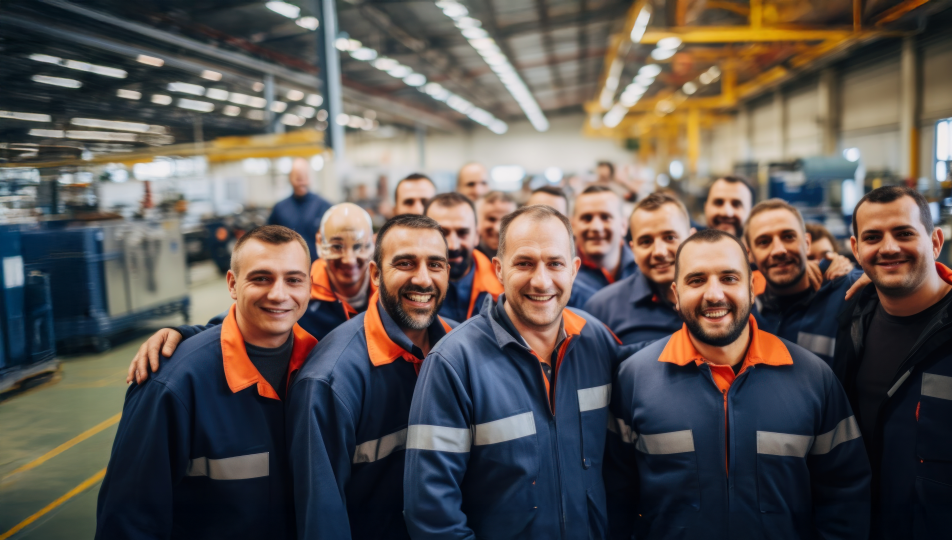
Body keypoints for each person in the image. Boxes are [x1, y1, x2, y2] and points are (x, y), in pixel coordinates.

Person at [606, 228, 870, 539]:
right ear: (676, 295)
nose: (714, 294)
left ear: (752, 288)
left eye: (729, 278)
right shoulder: (635, 379)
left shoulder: (813, 378)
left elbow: (844, 495)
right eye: (696, 280)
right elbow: (615, 500)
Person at [404, 205, 637, 539]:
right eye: (525, 263)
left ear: (573, 270)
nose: (541, 281)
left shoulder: (595, 339)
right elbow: (430, 510)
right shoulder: (454, 362)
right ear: (498, 269)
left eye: (555, 263)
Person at [96, 226, 318, 539]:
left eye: (293, 279)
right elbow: (130, 520)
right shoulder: (172, 386)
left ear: (310, 286)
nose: (279, 294)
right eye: (261, 278)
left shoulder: (321, 370)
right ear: (232, 284)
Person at [287, 214, 457, 540]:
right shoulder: (329, 380)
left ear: (447, 272)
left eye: (435, 265)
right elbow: (322, 516)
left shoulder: (461, 349)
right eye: (405, 263)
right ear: (376, 275)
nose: (422, 279)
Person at [126, 204, 376, 384]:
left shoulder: (388, 301)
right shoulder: (299, 295)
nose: (349, 258)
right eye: (337, 246)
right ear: (321, 243)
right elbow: (234, 324)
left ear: (372, 245)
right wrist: (182, 335)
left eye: (359, 246)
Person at [833, 186, 952, 539]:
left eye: (904, 233)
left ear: (935, 242)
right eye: (872, 237)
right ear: (856, 250)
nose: (888, 248)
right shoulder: (852, 317)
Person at [746, 199, 862, 367]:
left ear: (806, 244)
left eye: (788, 237)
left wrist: (875, 280)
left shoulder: (850, 293)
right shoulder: (748, 317)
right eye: (764, 242)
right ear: (750, 255)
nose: (779, 250)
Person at [585, 193, 694, 345]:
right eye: (646, 241)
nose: (659, 252)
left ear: (691, 239)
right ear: (633, 249)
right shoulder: (602, 309)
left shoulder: (716, 298)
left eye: (669, 237)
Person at [424, 192, 503, 321]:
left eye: (462, 233)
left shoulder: (503, 291)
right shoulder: (405, 291)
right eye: (442, 233)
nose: (453, 245)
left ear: (476, 236)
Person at [572, 186, 638, 296]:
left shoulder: (646, 272)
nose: (596, 227)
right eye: (587, 218)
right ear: (573, 226)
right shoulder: (561, 279)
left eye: (605, 217)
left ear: (623, 225)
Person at [268, 157, 332, 261]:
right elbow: (270, 241)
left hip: (316, 268)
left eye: (305, 177)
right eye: (297, 178)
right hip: (286, 267)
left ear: (310, 178)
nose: (301, 182)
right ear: (290, 178)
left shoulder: (325, 207)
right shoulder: (279, 209)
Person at [475, 191, 518, 259]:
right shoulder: (467, 258)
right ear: (476, 221)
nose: (498, 228)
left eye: (506, 220)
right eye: (491, 219)